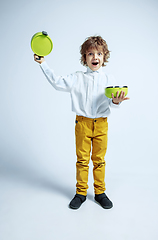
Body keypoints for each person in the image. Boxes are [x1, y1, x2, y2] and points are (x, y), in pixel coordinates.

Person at [34, 36, 129, 210]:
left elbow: (112, 102)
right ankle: (81, 193)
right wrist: (43, 64)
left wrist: (117, 101)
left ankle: (100, 193)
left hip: (101, 124)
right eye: (90, 53)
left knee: (99, 160)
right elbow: (57, 82)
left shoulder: (109, 79)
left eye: (99, 53)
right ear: (84, 58)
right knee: (82, 160)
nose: (95, 57)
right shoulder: (77, 78)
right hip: (82, 124)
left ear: (104, 57)